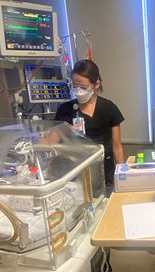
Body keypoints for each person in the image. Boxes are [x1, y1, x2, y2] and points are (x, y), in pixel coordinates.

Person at [55, 60, 124, 196]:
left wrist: (123, 173)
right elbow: (54, 143)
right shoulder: (65, 110)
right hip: (75, 173)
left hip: (105, 171)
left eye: (83, 87)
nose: (78, 91)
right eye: (75, 86)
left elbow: (117, 146)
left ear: (96, 84)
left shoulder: (108, 108)